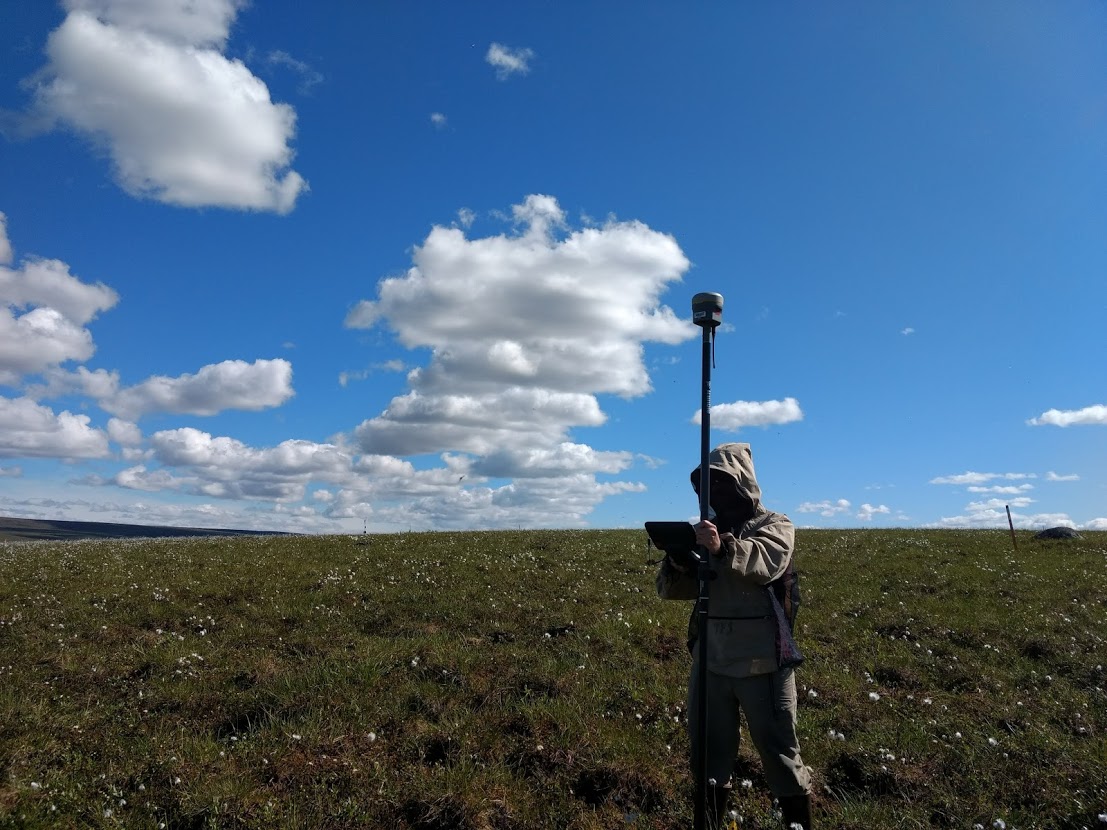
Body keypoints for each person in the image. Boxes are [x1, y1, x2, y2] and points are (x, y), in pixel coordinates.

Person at [656, 442, 813, 830]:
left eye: (723, 485)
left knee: (779, 754)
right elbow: (672, 591)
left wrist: (721, 547)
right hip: (710, 660)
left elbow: (765, 562)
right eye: (708, 487)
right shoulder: (705, 532)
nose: (715, 495)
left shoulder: (774, 525)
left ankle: (797, 823)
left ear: (744, 484)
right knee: (708, 755)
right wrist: (680, 559)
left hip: (764, 662)